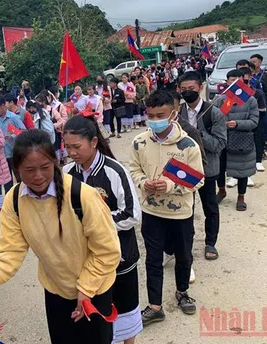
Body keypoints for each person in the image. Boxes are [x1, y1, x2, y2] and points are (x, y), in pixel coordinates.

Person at [0, 129, 121, 344]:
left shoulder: (82, 195)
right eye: (29, 170)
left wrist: (86, 289)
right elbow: (6, 255)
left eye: (45, 167)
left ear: (55, 162)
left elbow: (108, 251)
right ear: (17, 169)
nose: (38, 176)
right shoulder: (14, 200)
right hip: (56, 291)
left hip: (94, 290)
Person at [63, 115, 142, 344]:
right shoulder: (67, 173)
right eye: (67, 147)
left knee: (125, 309)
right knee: (96, 310)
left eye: (77, 146)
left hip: (120, 256)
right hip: (86, 259)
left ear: (94, 142)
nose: (71, 152)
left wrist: (94, 227)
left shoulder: (114, 171)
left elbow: (131, 213)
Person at [129, 91, 204, 325]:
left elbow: (198, 179)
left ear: (173, 114)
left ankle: (182, 293)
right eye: (150, 115)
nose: (155, 120)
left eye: (160, 115)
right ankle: (155, 306)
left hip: (180, 212)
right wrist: (144, 182)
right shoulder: (139, 141)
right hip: (151, 212)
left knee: (183, 255)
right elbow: (134, 170)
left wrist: (170, 185)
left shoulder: (188, 145)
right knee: (152, 259)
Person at [178, 71, 226, 261]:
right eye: (184, 89)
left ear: (200, 87)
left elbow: (219, 144)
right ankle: (184, 244)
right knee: (184, 209)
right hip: (182, 169)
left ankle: (210, 243)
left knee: (210, 208)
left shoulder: (213, 113)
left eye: (191, 89)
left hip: (207, 169)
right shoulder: (177, 112)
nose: (188, 92)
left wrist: (196, 133)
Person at [216, 69, 259, 211]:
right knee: (220, 168)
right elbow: (213, 119)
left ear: (242, 81)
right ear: (227, 82)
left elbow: (254, 122)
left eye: (237, 80)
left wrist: (238, 123)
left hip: (242, 140)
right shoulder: (221, 99)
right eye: (231, 80)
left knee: (242, 170)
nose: (233, 83)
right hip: (223, 139)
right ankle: (221, 190)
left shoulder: (250, 100)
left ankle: (241, 196)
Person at [0, 95, 26, 190]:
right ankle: (9, 199)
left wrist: (12, 136)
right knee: (6, 181)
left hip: (14, 152)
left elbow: (23, 130)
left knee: (19, 177)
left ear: (3, 106)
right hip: (2, 155)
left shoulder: (14, 118)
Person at [250, 54, 267, 150]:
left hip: (265, 102)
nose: (252, 63)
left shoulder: (266, 74)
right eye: (251, 61)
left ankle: (266, 142)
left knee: (266, 122)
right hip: (252, 103)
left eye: (254, 61)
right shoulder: (248, 76)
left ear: (260, 62)